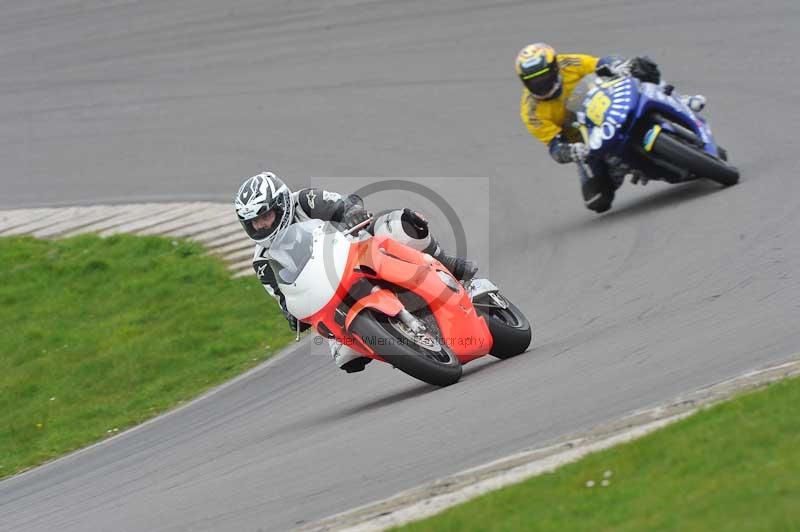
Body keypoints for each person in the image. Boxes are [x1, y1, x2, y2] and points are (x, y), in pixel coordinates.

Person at [234, 171, 478, 372]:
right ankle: (394, 343)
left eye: (266, 215)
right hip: (333, 294)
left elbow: (346, 203)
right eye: (255, 222)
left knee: (400, 225)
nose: (262, 225)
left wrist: (352, 214)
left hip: (358, 251)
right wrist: (292, 314)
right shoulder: (263, 261)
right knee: (345, 355)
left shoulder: (305, 201)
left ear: (282, 204)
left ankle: (447, 263)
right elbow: (283, 295)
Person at [516, 42, 707, 213]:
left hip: (607, 105)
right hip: (586, 140)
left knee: (641, 66)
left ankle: (677, 99)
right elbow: (554, 146)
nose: (541, 85)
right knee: (597, 200)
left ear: (555, 67)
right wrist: (570, 152)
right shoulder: (531, 112)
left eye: (544, 77)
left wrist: (617, 64)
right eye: (533, 81)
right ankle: (631, 166)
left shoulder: (568, 63)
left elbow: (600, 63)